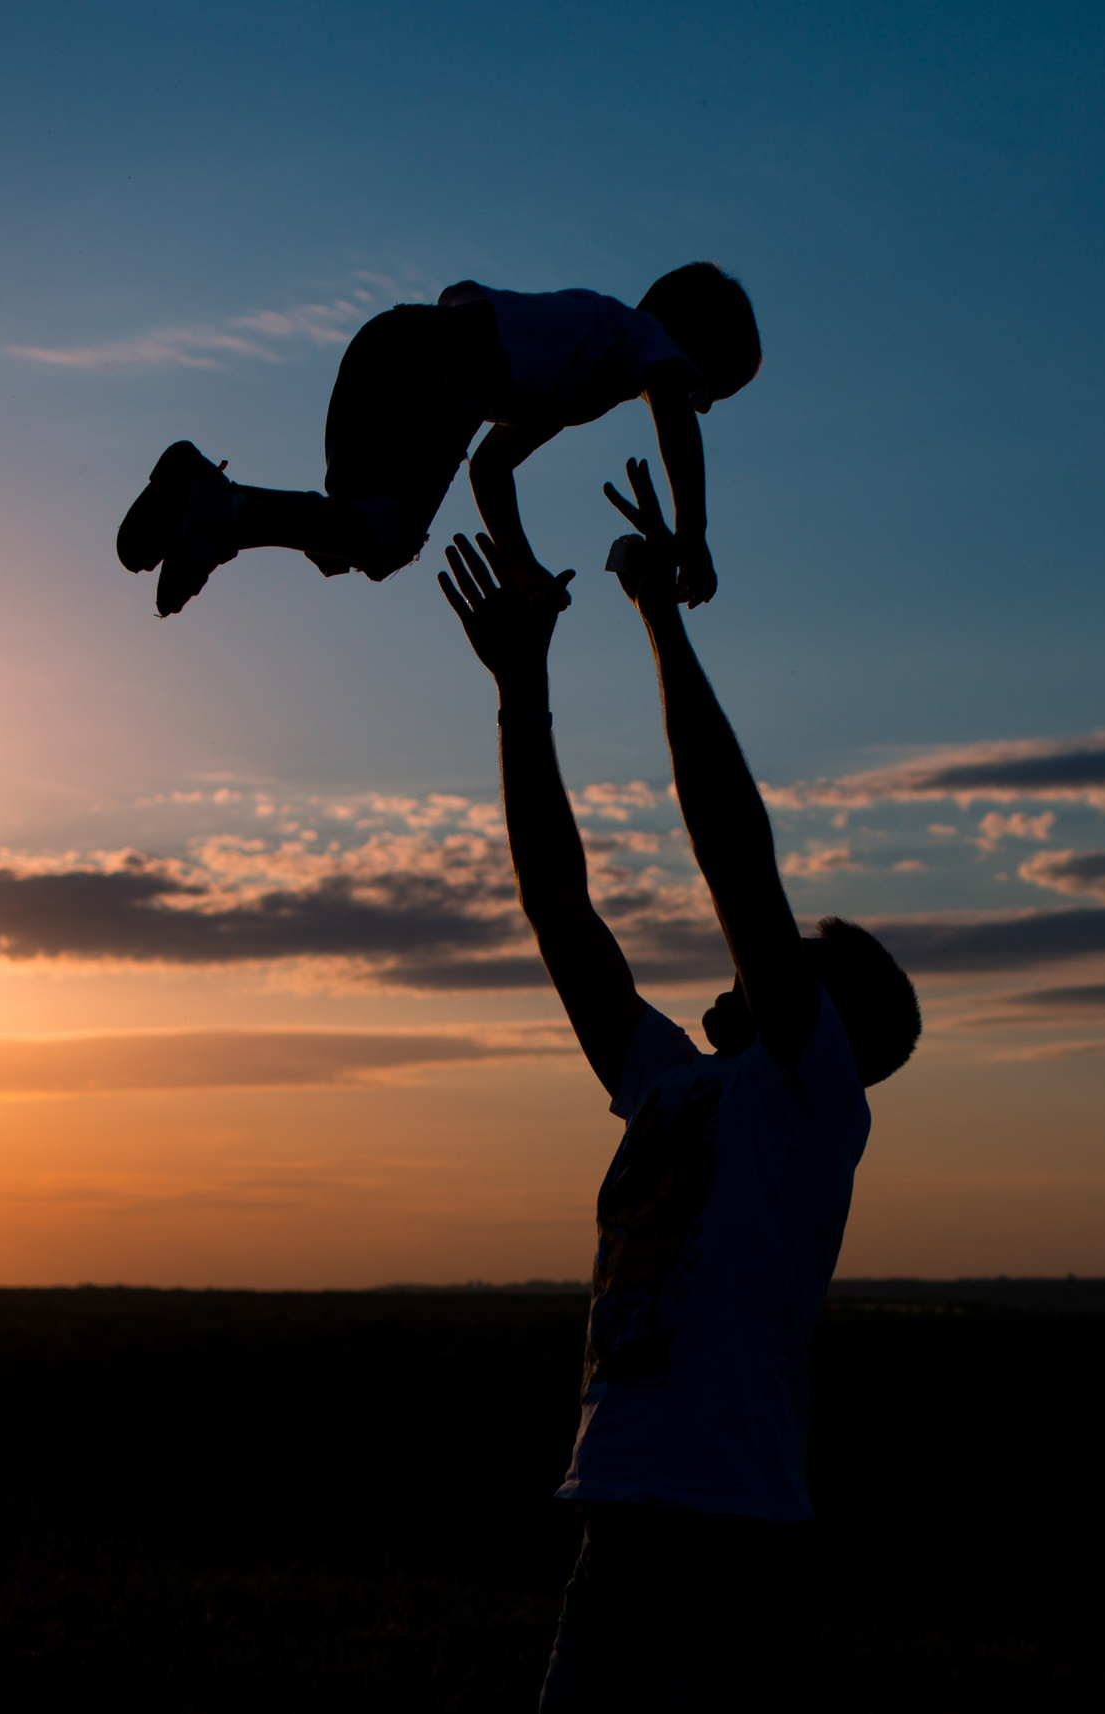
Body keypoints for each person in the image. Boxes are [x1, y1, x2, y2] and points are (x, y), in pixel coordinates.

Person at [439, 462, 922, 1710]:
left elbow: (732, 854)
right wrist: (521, 691)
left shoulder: (810, 1099)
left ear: (820, 1016)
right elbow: (559, 906)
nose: (749, 958)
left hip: (725, 1546)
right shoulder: (668, 1084)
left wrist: (659, 616)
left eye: (782, 961)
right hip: (616, 1529)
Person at [118, 265, 760, 618]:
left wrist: (521, 568)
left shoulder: (579, 362)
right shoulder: (637, 333)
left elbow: (490, 469)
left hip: (388, 345)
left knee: (348, 540)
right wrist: (693, 536)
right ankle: (220, 512)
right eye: (700, 390)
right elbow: (673, 415)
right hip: (441, 367)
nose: (684, 400)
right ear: (687, 345)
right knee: (386, 537)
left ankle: (203, 501)